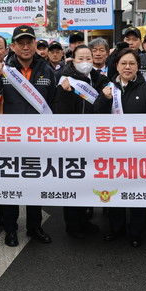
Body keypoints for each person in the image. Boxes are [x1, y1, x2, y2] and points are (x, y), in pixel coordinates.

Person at [0, 25, 56, 247]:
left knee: (34, 184)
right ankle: (10, 228)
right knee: (10, 186)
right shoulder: (3, 69)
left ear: (35, 44)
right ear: (12, 46)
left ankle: (34, 226)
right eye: (20, 43)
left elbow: (53, 104)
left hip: (37, 139)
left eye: (29, 42)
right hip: (9, 140)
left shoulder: (47, 70)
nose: (25, 47)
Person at [93, 48, 146, 247]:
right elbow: (96, 117)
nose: (127, 67)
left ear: (138, 66)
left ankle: (136, 231)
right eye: (123, 63)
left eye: (132, 63)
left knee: (137, 192)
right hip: (113, 151)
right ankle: (116, 228)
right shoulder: (109, 88)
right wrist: (104, 99)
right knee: (115, 190)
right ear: (117, 66)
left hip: (139, 150)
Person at [54, 44, 105, 239]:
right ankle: (73, 224)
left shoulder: (100, 80)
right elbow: (60, 112)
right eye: (80, 59)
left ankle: (84, 219)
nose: (85, 62)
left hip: (94, 140)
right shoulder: (65, 80)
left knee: (88, 182)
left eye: (88, 58)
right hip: (72, 141)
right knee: (72, 182)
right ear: (73, 61)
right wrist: (66, 93)